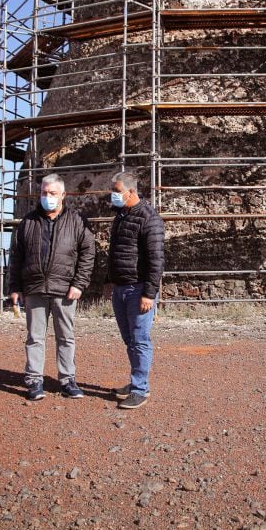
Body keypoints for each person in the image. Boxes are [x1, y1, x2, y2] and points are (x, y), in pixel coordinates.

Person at [8, 174, 95, 401]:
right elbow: (16, 257)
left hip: (65, 289)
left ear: (63, 195)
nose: (48, 197)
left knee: (66, 337)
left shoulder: (77, 221)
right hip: (34, 288)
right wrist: (15, 287)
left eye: (53, 193)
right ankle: (35, 380)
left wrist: (79, 284)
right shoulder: (28, 222)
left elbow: (88, 254)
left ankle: (67, 380)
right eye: (44, 193)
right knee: (35, 337)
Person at [106, 171, 164, 410]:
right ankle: (135, 382)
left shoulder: (150, 218)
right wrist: (110, 280)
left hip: (138, 289)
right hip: (121, 288)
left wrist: (149, 294)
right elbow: (115, 252)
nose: (114, 195)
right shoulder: (121, 216)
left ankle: (140, 389)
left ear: (131, 192)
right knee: (129, 339)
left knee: (140, 340)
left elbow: (156, 259)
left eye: (117, 191)